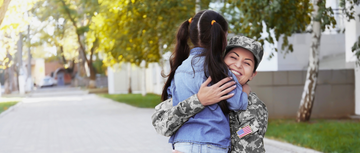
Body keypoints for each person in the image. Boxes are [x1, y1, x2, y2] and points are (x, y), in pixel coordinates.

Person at [152, 35, 268, 153]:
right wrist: (198, 100)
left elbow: (250, 145)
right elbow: (161, 125)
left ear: (253, 74)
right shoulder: (197, 86)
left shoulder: (255, 107)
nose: (238, 65)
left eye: (247, 63)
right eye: (233, 57)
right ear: (220, 61)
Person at [162, 10, 249, 152]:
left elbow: (172, 101)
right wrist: (245, 90)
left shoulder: (179, 69)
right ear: (221, 38)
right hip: (214, 143)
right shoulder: (220, 70)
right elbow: (237, 103)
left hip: (183, 144)